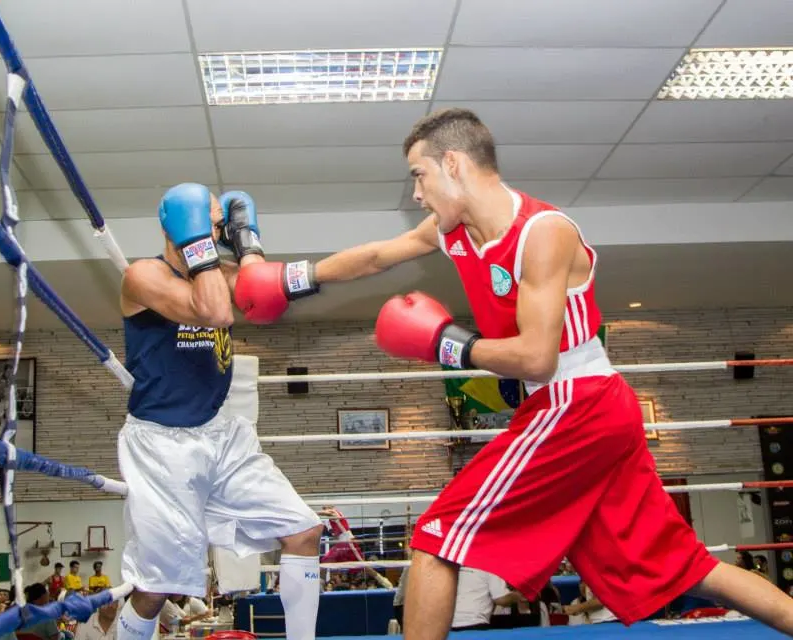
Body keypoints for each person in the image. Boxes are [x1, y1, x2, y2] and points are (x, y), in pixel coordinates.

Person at [231, 107, 793, 639]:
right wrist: (292, 279)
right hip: (577, 408)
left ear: (454, 164)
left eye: (420, 174)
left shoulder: (543, 232)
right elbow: (378, 255)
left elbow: (536, 358)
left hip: (578, 399)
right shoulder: (454, 231)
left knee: (435, 538)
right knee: (685, 568)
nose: (416, 191)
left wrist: (447, 345)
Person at [113, 183, 323, 640]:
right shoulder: (143, 275)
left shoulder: (220, 270)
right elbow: (214, 312)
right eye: (207, 221)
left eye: (217, 222)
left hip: (220, 433)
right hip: (161, 443)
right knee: (157, 588)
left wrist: (247, 242)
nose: (215, 228)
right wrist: (202, 248)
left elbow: (265, 299)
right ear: (182, 225)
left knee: (304, 530)